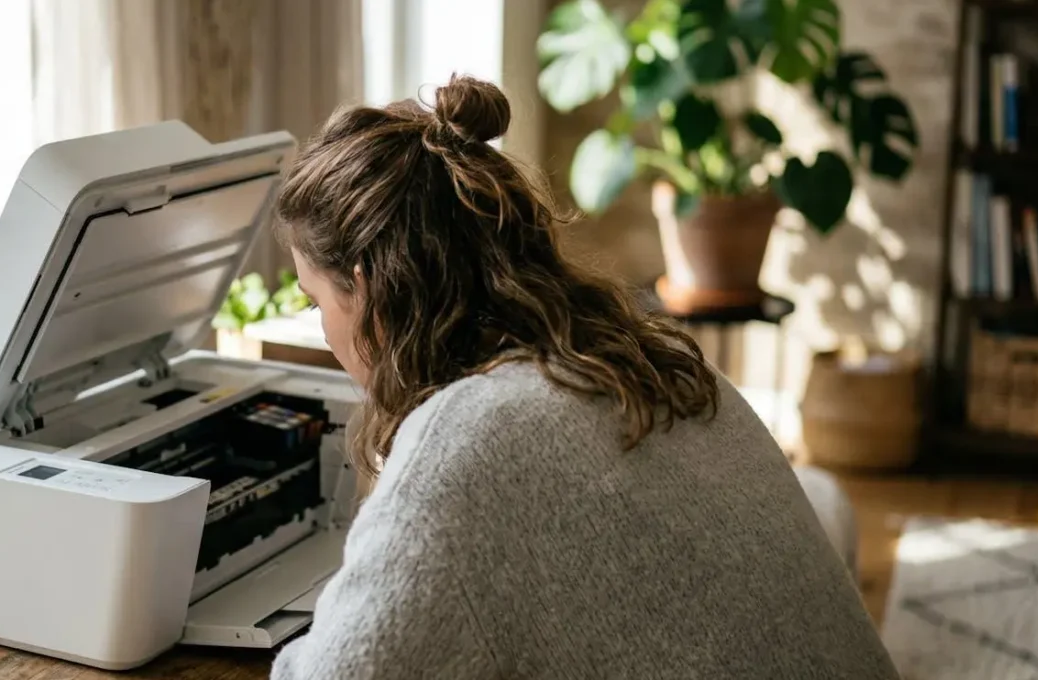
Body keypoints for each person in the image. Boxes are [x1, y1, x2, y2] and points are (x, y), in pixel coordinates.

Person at [268, 74, 899, 679]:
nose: (324, 331)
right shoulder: (656, 362)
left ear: (368, 289)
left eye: (316, 300)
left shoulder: (464, 439)